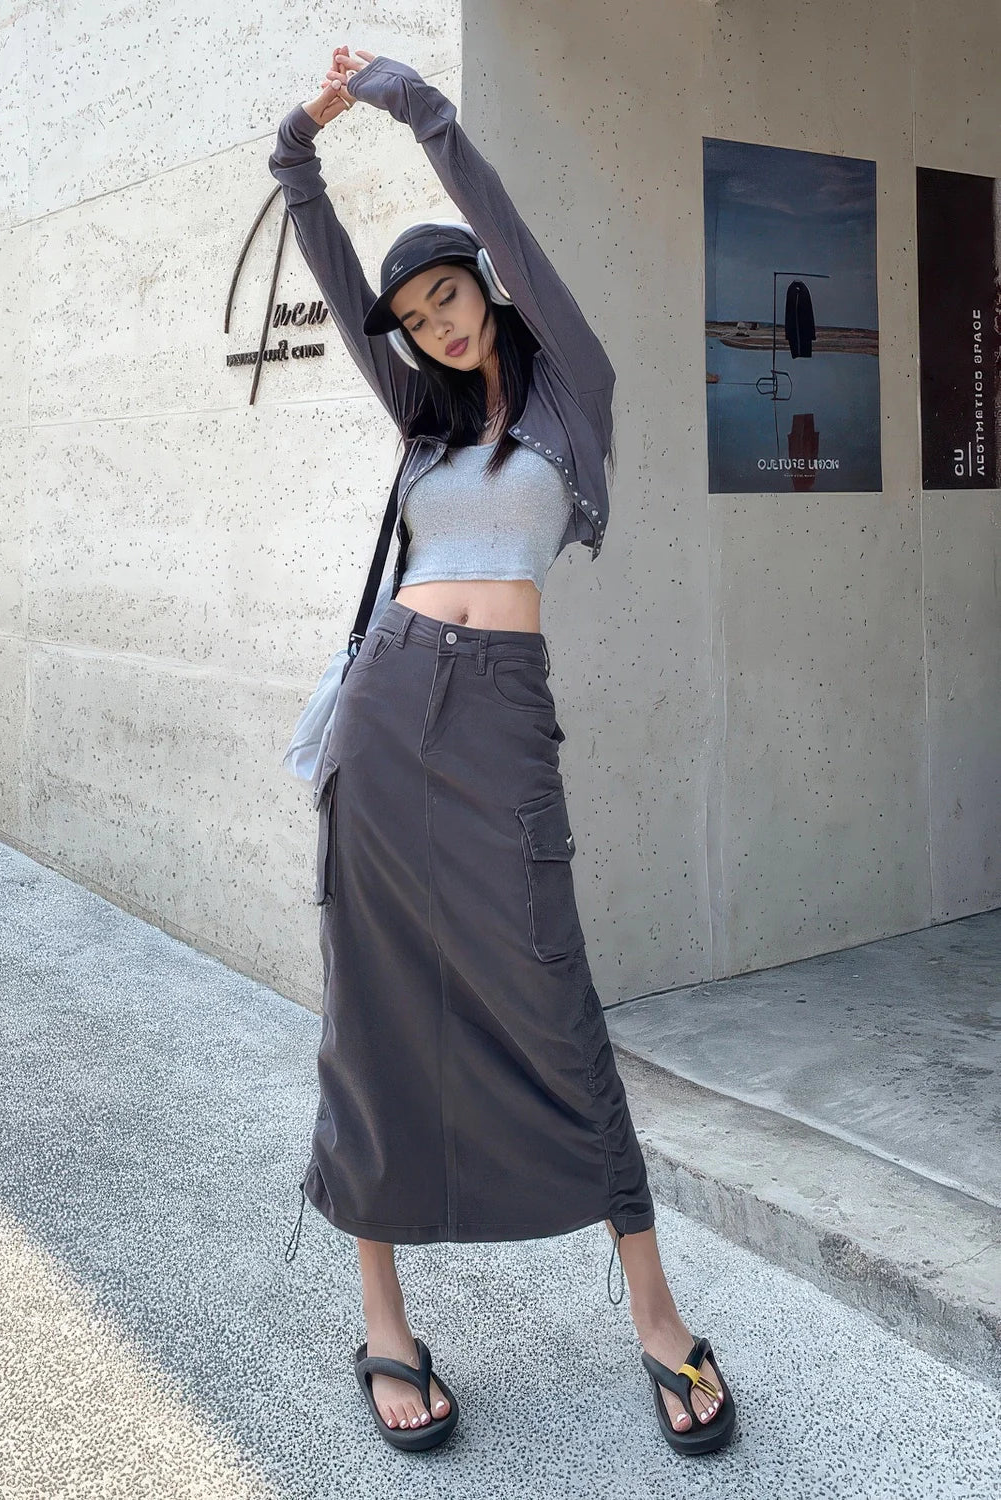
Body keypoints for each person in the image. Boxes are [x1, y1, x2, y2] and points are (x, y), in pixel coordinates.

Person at [268, 45, 737, 1457]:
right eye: (415, 320)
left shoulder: (568, 394)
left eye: (449, 299)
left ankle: (656, 1315)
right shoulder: (419, 418)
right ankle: (384, 1320)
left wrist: (412, 108)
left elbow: (508, 230)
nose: (437, 329)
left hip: (501, 724)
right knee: (372, 1001)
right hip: (387, 710)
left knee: (557, 1000)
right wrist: (297, 151)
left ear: (483, 287)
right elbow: (326, 258)